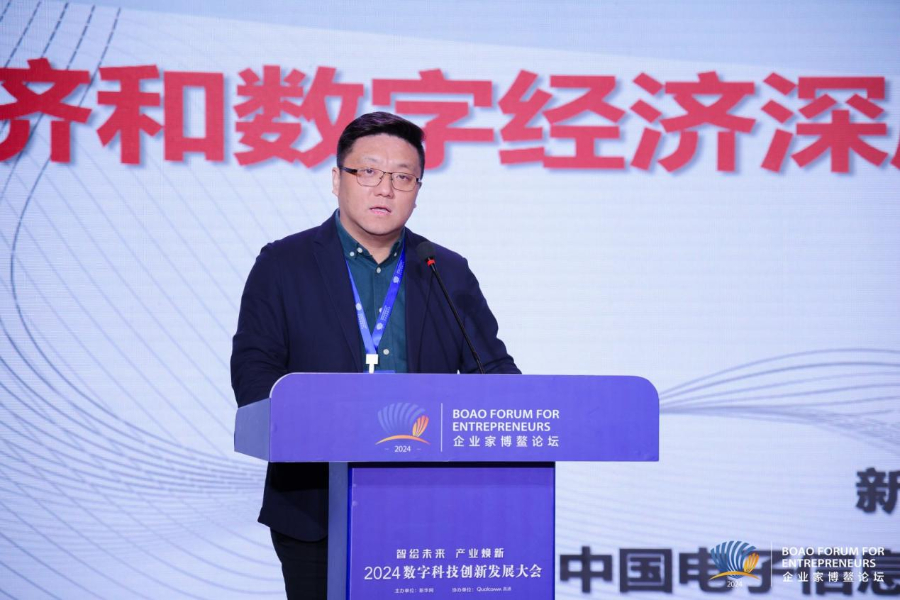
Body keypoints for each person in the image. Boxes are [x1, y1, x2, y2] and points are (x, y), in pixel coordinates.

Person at [230, 111, 519, 599]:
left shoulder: (445, 270)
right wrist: (301, 429)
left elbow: (490, 368)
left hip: (426, 505)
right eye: (368, 172)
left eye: (402, 177)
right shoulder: (283, 263)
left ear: (417, 189)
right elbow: (254, 368)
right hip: (315, 503)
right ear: (337, 179)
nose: (385, 188)